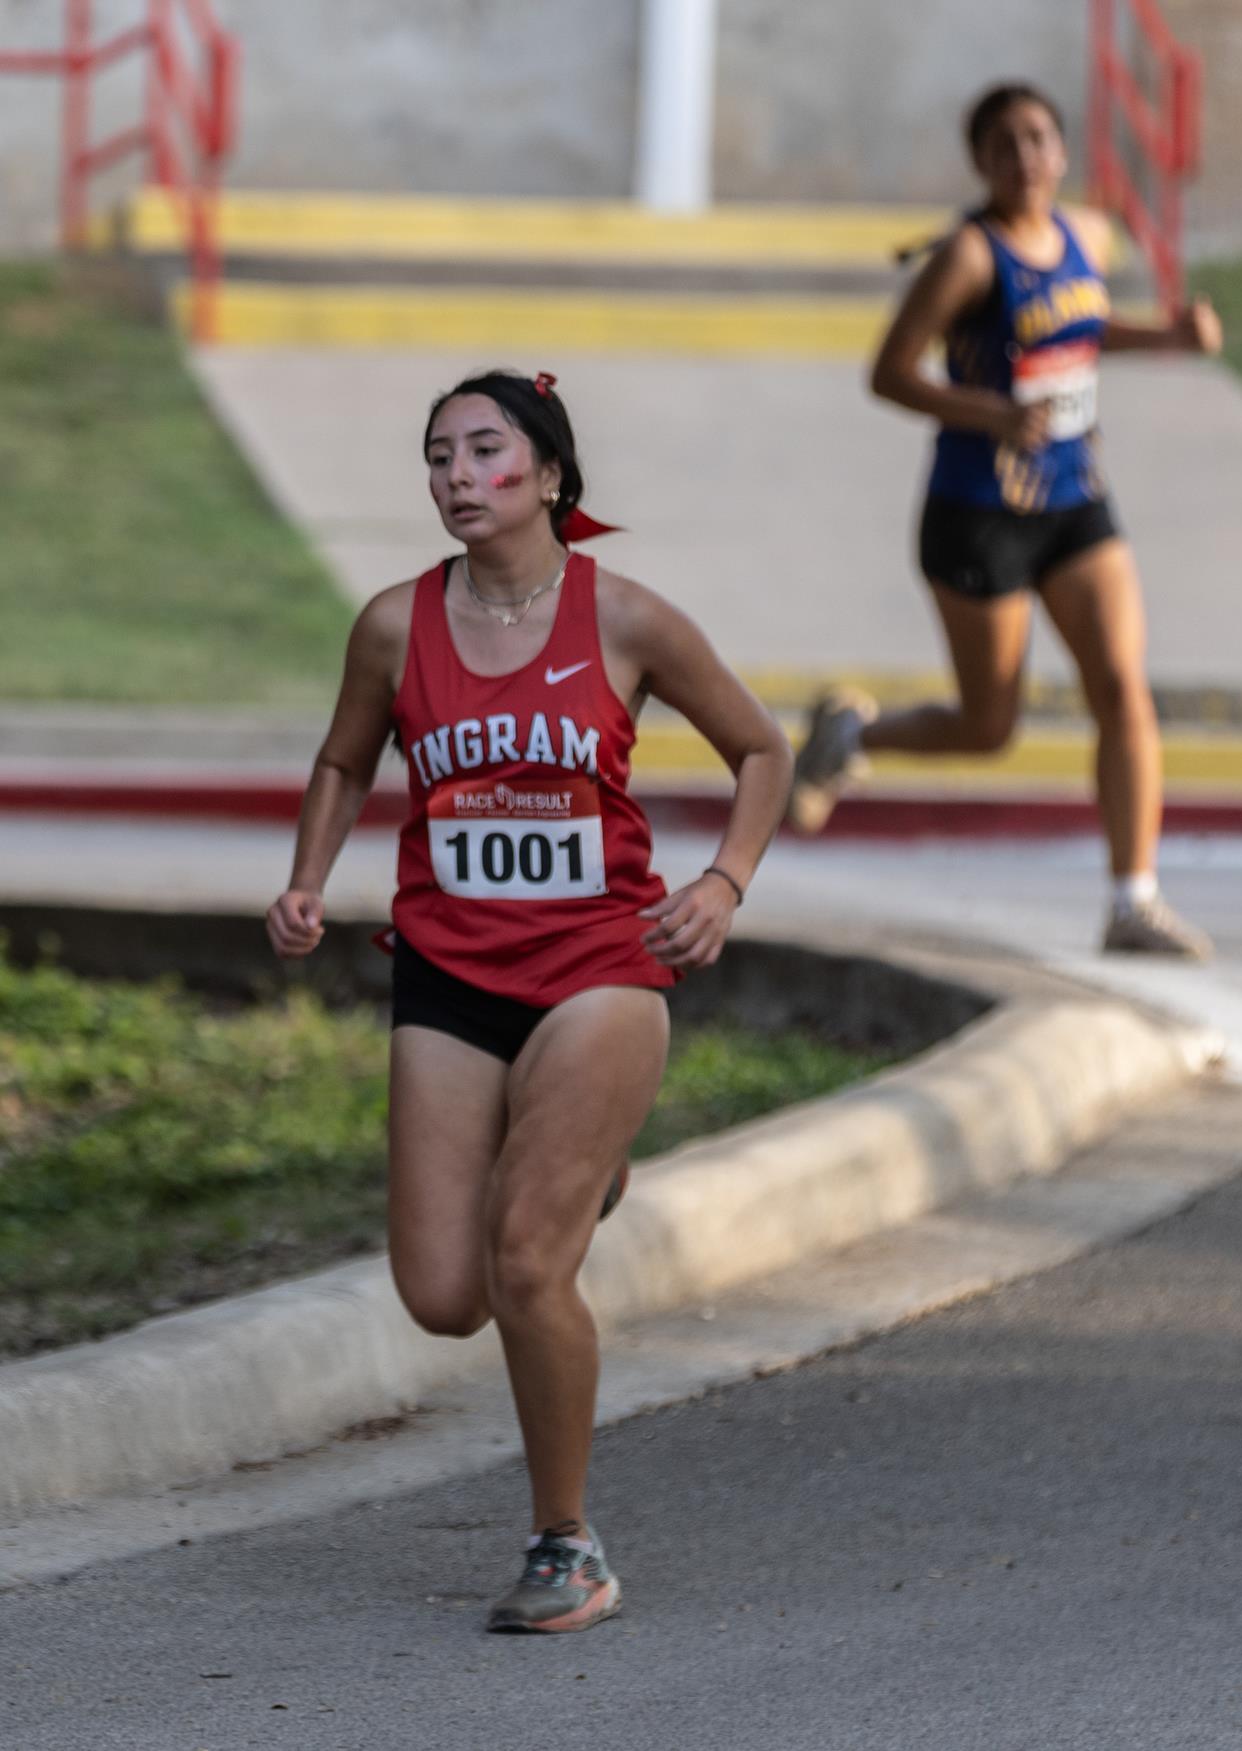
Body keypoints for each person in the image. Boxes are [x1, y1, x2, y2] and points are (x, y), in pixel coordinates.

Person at [266, 369, 791, 1634]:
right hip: (448, 972)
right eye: (436, 455)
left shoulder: (629, 620)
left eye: (483, 450)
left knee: (524, 1262)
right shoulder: (395, 626)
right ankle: (579, 1158)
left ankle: (567, 1544)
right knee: (443, 1292)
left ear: (548, 473)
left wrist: (722, 882)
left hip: (599, 965)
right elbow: (345, 756)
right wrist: (304, 879)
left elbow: (763, 750)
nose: (454, 474)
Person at [787, 80, 1222, 959]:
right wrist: (989, 414)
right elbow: (889, 372)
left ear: (1061, 153)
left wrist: (1169, 337)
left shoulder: (1089, 233)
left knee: (1123, 690)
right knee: (989, 728)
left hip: (1074, 497)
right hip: (977, 515)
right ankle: (849, 732)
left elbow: (1086, 330)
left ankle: (1132, 900)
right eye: (1004, 145)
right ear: (981, 164)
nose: (1025, 158)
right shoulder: (969, 259)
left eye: (1038, 139)